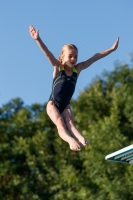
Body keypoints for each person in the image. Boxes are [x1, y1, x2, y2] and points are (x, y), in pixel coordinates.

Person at [29, 25, 119, 151]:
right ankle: (70, 140)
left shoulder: (78, 69)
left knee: (70, 123)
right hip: (52, 105)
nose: (73, 59)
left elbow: (95, 57)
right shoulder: (58, 67)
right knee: (60, 123)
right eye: (70, 56)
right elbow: (47, 53)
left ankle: (80, 138)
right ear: (62, 56)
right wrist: (38, 39)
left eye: (76, 56)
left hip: (66, 105)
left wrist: (111, 49)